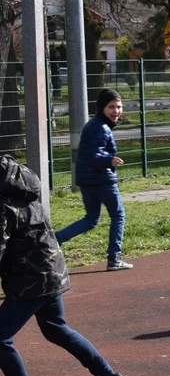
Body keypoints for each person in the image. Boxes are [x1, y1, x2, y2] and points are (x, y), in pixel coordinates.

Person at [0, 156, 131, 376]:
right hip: (50, 269)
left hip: (30, 278)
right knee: (55, 328)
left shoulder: (3, 203)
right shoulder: (18, 184)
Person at [55, 89, 132, 271]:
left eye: (119, 107)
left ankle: (56, 239)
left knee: (91, 219)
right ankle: (114, 259)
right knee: (118, 216)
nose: (116, 111)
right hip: (101, 179)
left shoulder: (95, 124)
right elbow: (93, 155)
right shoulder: (101, 127)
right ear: (101, 108)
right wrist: (109, 160)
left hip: (87, 179)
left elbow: (90, 154)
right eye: (111, 107)